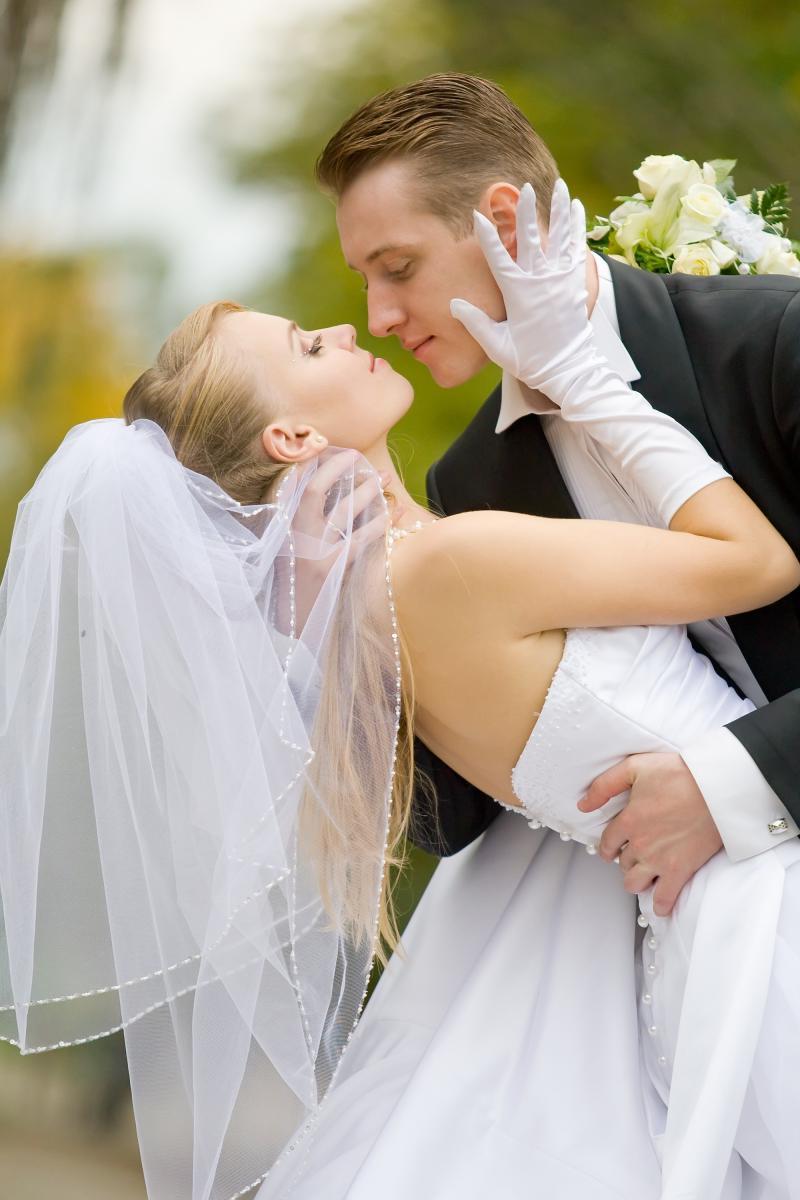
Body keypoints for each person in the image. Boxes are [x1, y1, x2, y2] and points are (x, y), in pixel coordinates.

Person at [2, 182, 799, 1198]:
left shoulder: (370, 619)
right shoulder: (449, 567)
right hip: (757, 901)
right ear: (291, 439)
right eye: (305, 349)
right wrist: (581, 376)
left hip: (695, 915)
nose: (344, 328)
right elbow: (755, 564)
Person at [318, 72, 800, 913]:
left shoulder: (773, 340)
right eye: (367, 280)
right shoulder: (468, 484)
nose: (378, 317)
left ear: (503, 222)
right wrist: (338, 597)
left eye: (397, 269)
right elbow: (455, 819)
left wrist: (737, 780)